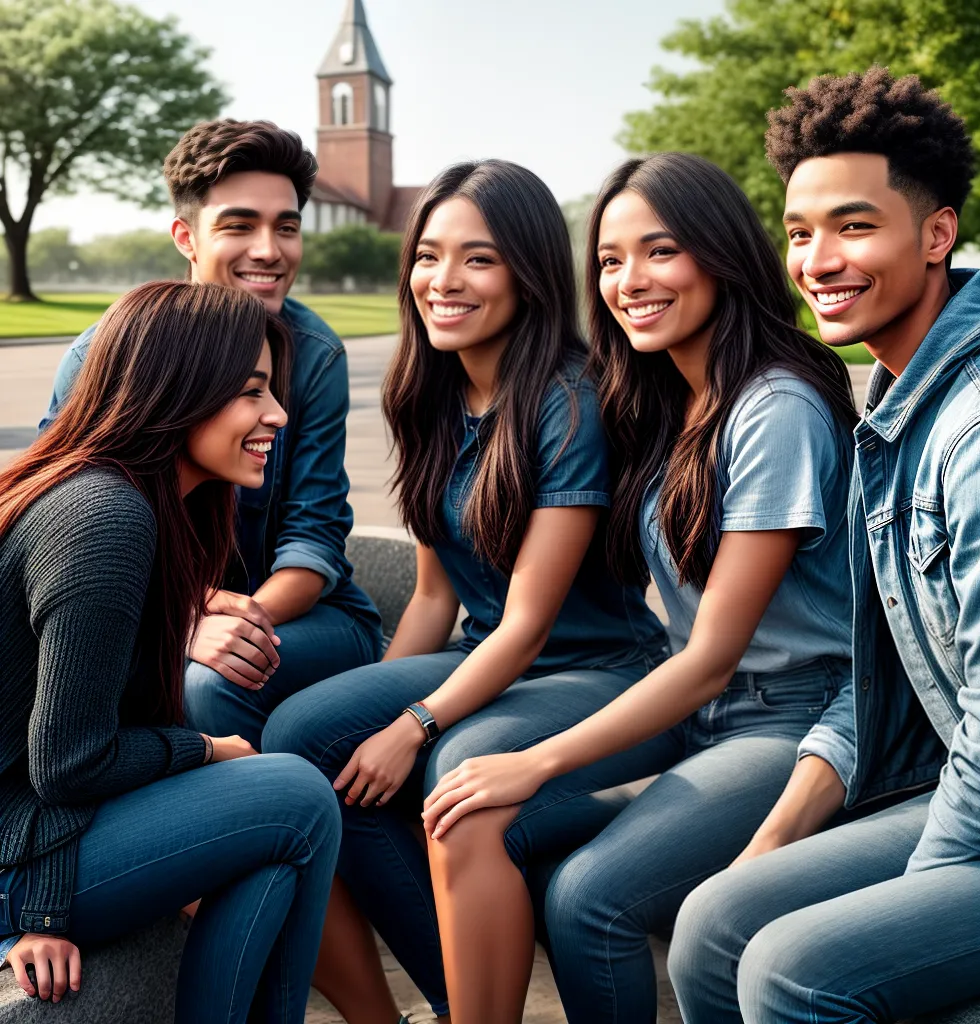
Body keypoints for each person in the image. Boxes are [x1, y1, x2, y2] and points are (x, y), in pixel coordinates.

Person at [419, 152, 858, 1023]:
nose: (630, 282)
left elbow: (710, 657)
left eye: (660, 251)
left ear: (721, 254)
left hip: (794, 719)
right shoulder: (666, 401)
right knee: (468, 816)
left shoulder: (775, 407)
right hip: (705, 715)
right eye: (611, 261)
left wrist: (538, 759)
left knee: (590, 898)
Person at [260, 159, 668, 1024]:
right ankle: (450, 999)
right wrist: (368, 721)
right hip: (487, 657)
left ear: (528, 273)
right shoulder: (430, 396)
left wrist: (411, 725)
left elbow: (526, 625)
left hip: (596, 668)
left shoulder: (569, 403)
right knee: (306, 738)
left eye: (478, 259)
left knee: (449, 768)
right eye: (429, 256)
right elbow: (433, 600)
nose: (443, 281)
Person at [670, 67, 980, 1024]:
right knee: (715, 920)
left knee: (791, 970)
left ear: (937, 235)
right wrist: (774, 841)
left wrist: (920, 896)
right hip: (967, 783)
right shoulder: (896, 407)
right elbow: (889, 673)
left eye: (854, 227)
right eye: (799, 233)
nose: (818, 261)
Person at [0, 281, 341, 1023]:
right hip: (13, 852)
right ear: (177, 390)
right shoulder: (102, 517)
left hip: (32, 830)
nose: (278, 415)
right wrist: (207, 750)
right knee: (298, 794)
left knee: (272, 856)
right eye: (251, 392)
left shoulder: (146, 503)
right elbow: (67, 764)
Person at [40, 119, 381, 749]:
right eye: (239, 225)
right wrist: (180, 619)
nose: (269, 250)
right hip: (145, 612)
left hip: (299, 614)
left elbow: (312, 540)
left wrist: (221, 623)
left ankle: (267, 803)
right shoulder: (102, 357)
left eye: (286, 227)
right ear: (186, 238)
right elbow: (58, 524)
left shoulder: (314, 356)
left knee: (211, 678)